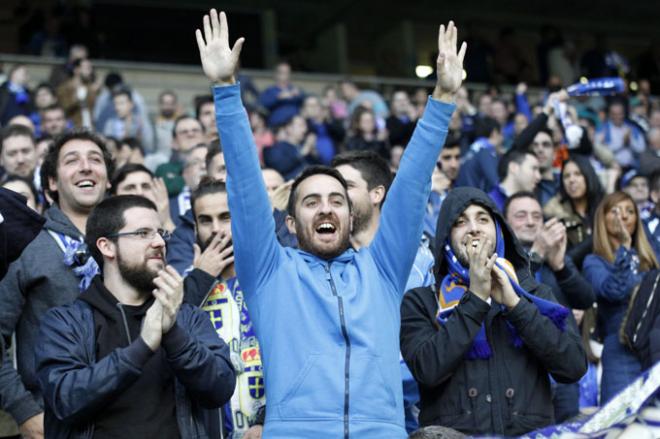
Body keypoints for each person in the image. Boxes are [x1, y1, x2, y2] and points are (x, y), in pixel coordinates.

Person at [196, 9, 465, 437]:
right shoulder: (269, 273)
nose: (325, 208)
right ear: (290, 219)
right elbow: (246, 191)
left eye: (337, 200)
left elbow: (411, 187)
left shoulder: (381, 270)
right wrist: (226, 91)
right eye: (312, 201)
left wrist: (442, 100)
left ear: (350, 213)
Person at [35, 195, 236, 438]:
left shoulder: (187, 317)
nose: (160, 242)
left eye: (161, 232)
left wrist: (172, 334)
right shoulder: (66, 322)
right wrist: (141, 349)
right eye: (143, 233)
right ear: (106, 246)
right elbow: (64, 400)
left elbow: (220, 388)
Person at [400, 187, 587, 435]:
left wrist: (516, 306)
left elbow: (573, 366)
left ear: (499, 231)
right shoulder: (421, 301)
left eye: (483, 219)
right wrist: (476, 298)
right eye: (460, 222)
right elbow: (428, 370)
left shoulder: (535, 295)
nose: (474, 228)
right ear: (446, 237)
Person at [0, 130, 112, 439]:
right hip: (55, 420)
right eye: (72, 161)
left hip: (126, 417)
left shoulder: (131, 242)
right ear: (51, 183)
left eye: (95, 159)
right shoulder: (25, 244)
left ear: (108, 179)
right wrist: (25, 412)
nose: (86, 167)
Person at [504, 191, 595, 421]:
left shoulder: (555, 255)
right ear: (505, 222)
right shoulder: (501, 260)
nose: (531, 221)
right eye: (521, 216)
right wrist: (535, 255)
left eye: (537, 216)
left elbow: (586, 299)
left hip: (562, 369)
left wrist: (561, 266)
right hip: (522, 373)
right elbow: (517, 293)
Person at [185, 179, 265, 438]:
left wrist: (267, 420)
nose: (216, 229)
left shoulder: (271, 277)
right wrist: (200, 279)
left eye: (226, 217)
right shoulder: (180, 286)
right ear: (195, 226)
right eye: (205, 220)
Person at [583, 191, 659, 404]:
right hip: (620, 352)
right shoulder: (594, 261)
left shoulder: (651, 260)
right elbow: (614, 290)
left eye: (630, 211)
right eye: (615, 211)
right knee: (620, 428)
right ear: (602, 219)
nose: (623, 216)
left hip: (654, 349)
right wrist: (624, 248)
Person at [543, 155, 604, 267]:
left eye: (577, 174)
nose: (571, 180)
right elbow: (563, 259)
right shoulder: (555, 214)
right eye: (566, 176)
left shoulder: (604, 207)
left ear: (588, 176)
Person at [111, 163, 175, 232]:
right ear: (114, 196)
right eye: (130, 187)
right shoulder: (107, 228)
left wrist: (166, 221)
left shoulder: (175, 218)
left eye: (145, 186)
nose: (140, 192)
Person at [454, 116, 504, 192]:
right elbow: (495, 181)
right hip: (472, 197)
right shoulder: (485, 151)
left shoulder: (473, 148)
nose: (502, 139)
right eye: (501, 134)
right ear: (495, 133)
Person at [103, 86, 154, 153]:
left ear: (131, 104)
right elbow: (107, 148)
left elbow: (149, 146)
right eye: (116, 104)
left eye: (121, 103)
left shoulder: (141, 122)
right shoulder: (110, 123)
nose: (117, 108)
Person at [263, 115, 316, 180]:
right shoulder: (276, 149)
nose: (305, 129)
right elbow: (280, 167)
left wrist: (314, 152)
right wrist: (303, 152)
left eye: (305, 126)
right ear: (289, 128)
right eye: (301, 125)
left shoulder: (304, 147)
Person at [596, 101, 646, 168]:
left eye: (620, 114)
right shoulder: (602, 129)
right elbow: (598, 151)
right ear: (609, 114)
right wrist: (622, 143)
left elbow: (641, 149)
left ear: (624, 114)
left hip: (632, 166)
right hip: (611, 167)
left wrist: (630, 141)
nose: (617, 117)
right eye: (614, 114)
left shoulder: (632, 128)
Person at [56, 58, 101, 129]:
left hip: (91, 128)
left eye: (90, 68)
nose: (90, 71)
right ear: (76, 70)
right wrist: (75, 99)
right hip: (72, 128)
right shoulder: (64, 88)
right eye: (86, 68)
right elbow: (62, 109)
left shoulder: (92, 88)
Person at [258, 62, 304, 127]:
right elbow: (262, 103)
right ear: (276, 74)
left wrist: (299, 95)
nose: (285, 75)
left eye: (287, 72)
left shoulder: (295, 90)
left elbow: (305, 99)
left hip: (294, 127)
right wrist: (278, 98)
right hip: (276, 126)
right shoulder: (270, 90)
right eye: (282, 72)